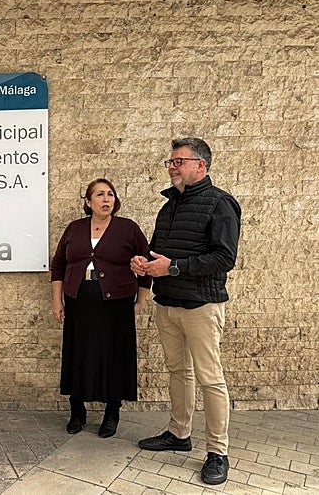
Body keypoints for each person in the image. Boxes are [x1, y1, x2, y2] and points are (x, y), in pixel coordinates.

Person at [131, 137, 241, 486]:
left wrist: (174, 267)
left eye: (179, 161)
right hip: (168, 304)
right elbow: (158, 251)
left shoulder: (220, 203)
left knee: (210, 379)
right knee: (178, 372)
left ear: (200, 165)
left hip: (201, 306)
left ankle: (218, 452)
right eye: (171, 162)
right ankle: (179, 434)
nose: (172, 167)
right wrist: (142, 262)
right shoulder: (169, 207)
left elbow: (224, 258)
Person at [50, 178, 151, 438]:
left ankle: (112, 411)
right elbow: (59, 265)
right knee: (78, 353)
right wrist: (57, 300)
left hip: (116, 305)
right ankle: (77, 409)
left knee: (114, 355)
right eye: (99, 194)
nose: (106, 199)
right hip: (79, 302)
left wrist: (141, 299)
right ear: (88, 201)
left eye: (110, 194)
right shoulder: (74, 229)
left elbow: (146, 263)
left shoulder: (128, 228)